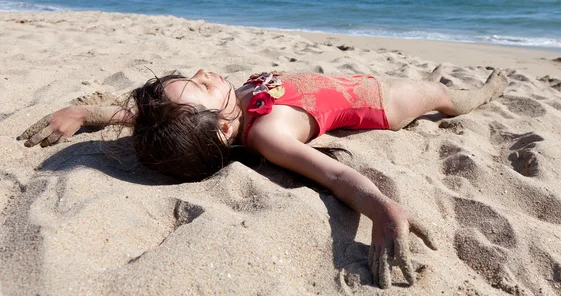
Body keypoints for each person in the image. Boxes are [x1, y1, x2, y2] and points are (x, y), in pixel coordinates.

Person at [17, 65, 508, 289]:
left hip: (343, 78)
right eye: (204, 84)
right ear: (225, 128)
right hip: (378, 102)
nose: (208, 71)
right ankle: (480, 92)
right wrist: (383, 208)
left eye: (196, 74)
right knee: (439, 94)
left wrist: (88, 113)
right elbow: (337, 176)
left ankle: (444, 83)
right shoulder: (270, 135)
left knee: (425, 82)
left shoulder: (203, 122)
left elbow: (159, 118)